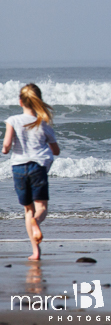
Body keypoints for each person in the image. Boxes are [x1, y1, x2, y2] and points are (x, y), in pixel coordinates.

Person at [2, 84, 61, 260]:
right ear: (38, 101)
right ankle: (37, 223)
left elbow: (6, 147)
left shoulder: (12, 120)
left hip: (18, 167)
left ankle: (36, 252)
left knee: (28, 210)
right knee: (40, 208)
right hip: (38, 167)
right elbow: (56, 150)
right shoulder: (43, 123)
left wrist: (6, 149)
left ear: (20, 101)